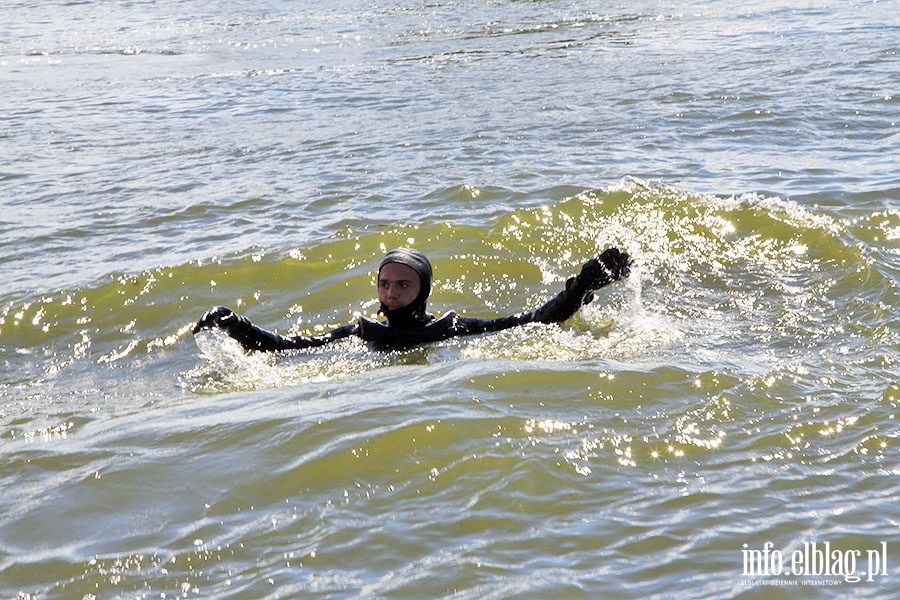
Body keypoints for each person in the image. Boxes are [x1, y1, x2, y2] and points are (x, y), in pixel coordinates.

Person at [192, 247, 632, 352]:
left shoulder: (450, 328)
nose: (391, 293)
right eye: (385, 284)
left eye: (403, 285)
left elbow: (533, 322)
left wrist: (578, 287)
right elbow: (290, 349)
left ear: (422, 289)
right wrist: (236, 325)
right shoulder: (362, 333)